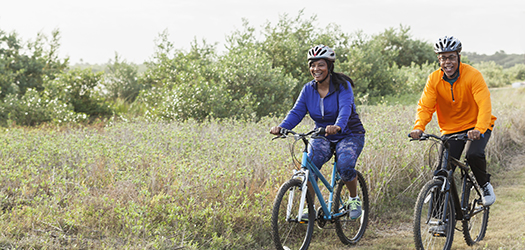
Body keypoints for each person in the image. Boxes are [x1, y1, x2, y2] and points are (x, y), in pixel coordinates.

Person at [270, 45, 366, 220]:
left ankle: (354, 198)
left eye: (320, 65)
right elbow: (297, 112)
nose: (316, 69)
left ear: (329, 66)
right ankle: (309, 208)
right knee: (309, 167)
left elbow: (345, 109)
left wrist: (337, 126)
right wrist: (282, 127)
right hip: (323, 134)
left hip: (349, 133)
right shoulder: (308, 89)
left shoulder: (343, 86)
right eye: (312, 65)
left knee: (345, 165)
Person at [409, 36, 497, 208]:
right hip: (451, 130)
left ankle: (485, 186)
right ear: (438, 60)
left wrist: (479, 129)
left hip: (477, 126)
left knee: (473, 154)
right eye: (443, 58)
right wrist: (419, 127)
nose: (447, 62)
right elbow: (425, 107)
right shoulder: (434, 79)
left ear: (458, 57)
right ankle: (438, 221)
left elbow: (484, 105)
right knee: (442, 172)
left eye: (451, 57)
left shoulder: (473, 75)